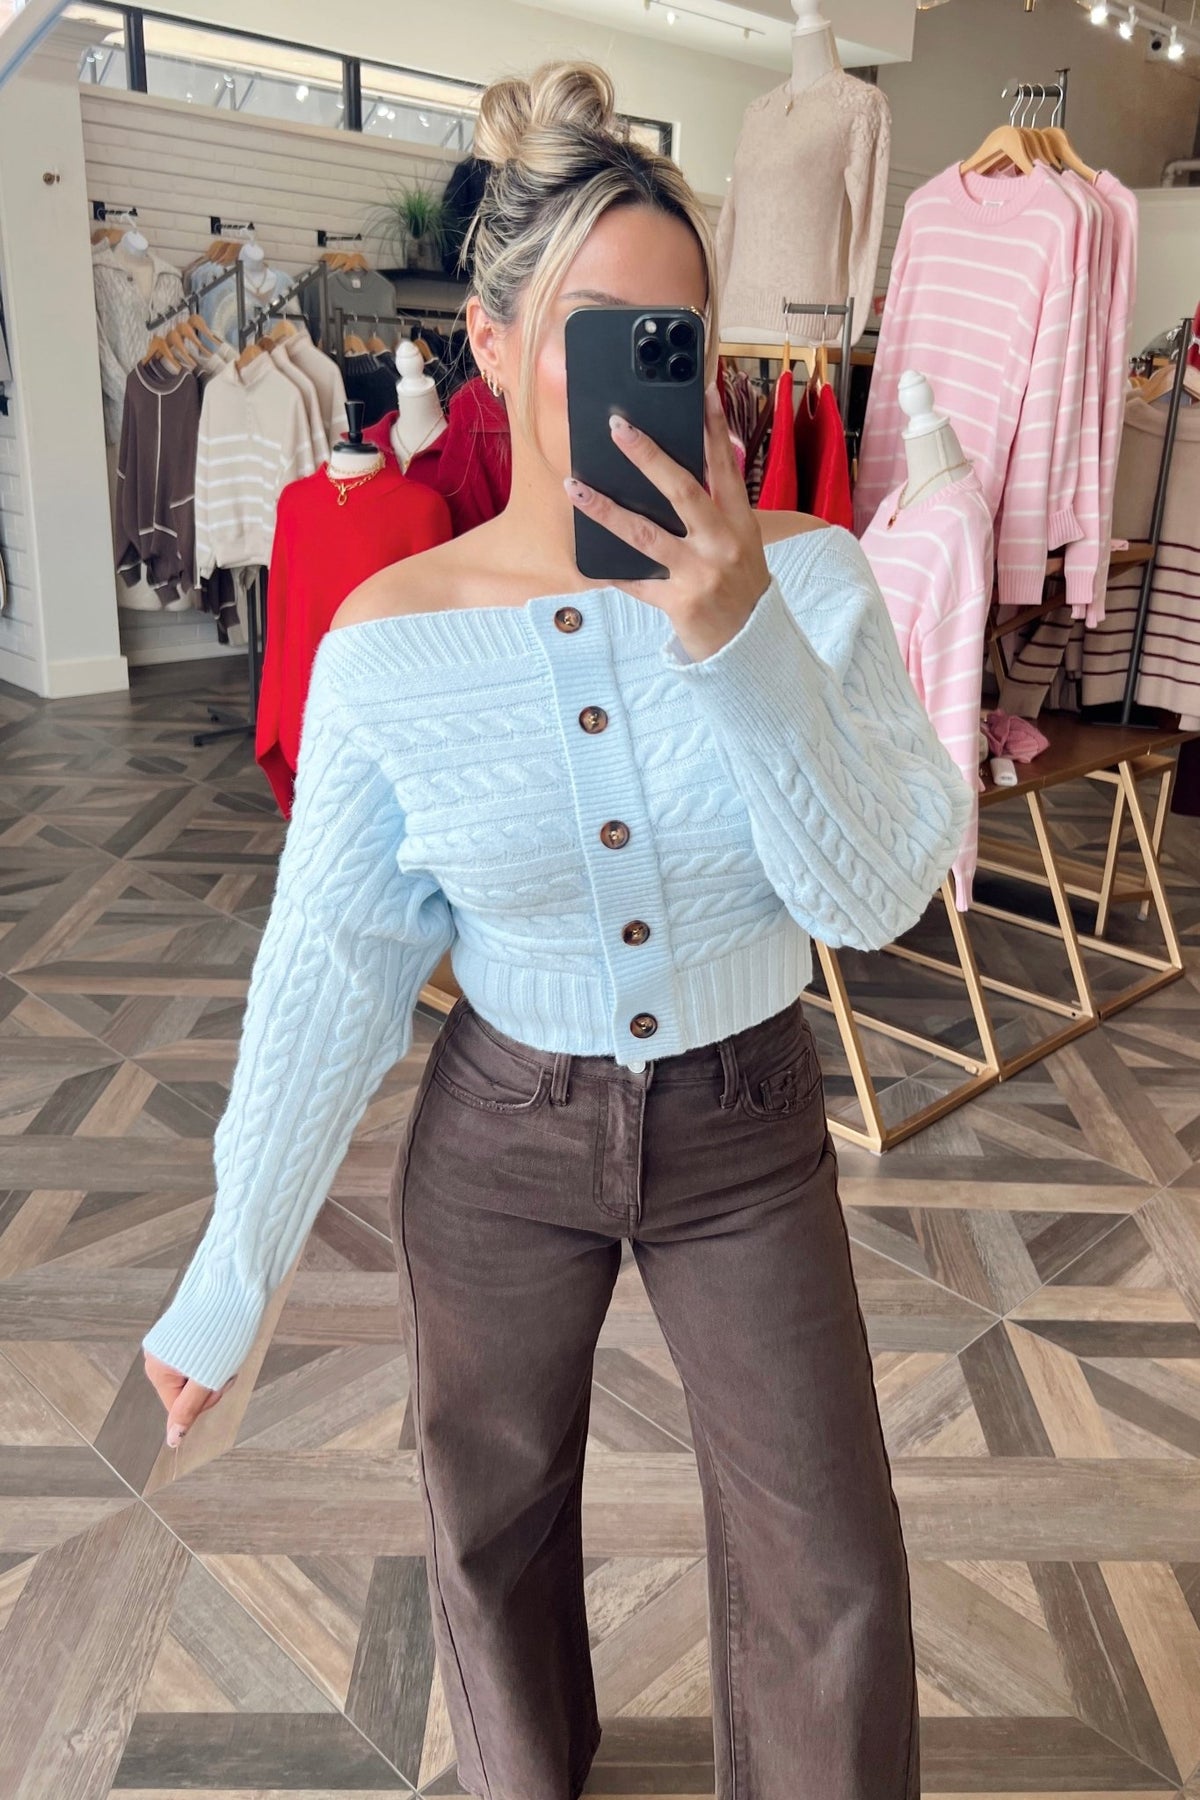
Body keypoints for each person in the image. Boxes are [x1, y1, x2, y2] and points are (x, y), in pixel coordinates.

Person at [143, 60, 971, 1800]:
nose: (649, 378)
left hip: (748, 1125)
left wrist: (737, 633)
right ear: (498, 342)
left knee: (830, 1560)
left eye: (680, 339)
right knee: (488, 1518)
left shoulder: (812, 577)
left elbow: (875, 896)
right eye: (604, 337)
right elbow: (334, 966)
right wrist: (231, 1270)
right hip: (499, 1135)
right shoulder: (389, 639)